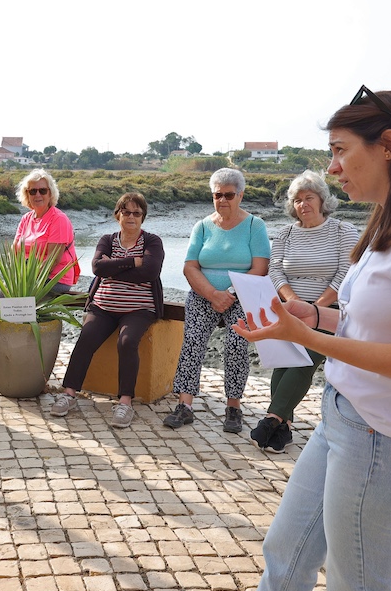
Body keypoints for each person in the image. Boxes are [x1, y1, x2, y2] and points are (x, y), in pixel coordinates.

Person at [234, 87, 391, 591]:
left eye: (341, 150)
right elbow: (369, 324)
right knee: (285, 559)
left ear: (388, 145)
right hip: (343, 418)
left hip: (383, 442)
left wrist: (308, 339)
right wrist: (310, 316)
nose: (333, 167)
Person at [252, 170, 359, 452]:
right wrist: (293, 304)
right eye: (297, 200)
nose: (303, 204)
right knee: (284, 360)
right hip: (288, 308)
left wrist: (314, 309)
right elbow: (275, 271)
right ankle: (283, 428)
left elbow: (346, 274)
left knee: (304, 359)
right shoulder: (285, 233)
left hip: (329, 311)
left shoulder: (343, 231)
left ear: (322, 200)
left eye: (308, 197)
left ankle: (272, 417)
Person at [163, 167, 270, 433]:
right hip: (204, 295)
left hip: (241, 295)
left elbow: (260, 268)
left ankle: (233, 407)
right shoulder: (201, 226)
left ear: (240, 195)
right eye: (217, 195)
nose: (223, 200)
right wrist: (212, 294)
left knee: (236, 344)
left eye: (229, 195)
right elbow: (190, 267)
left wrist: (229, 294)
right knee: (192, 342)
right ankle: (185, 406)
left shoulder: (255, 226)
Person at [54, 192, 164, 428]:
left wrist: (113, 266)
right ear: (118, 215)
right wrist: (133, 261)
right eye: (126, 212)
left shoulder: (152, 241)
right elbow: (96, 267)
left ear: (143, 217)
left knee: (126, 341)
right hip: (103, 307)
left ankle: (125, 402)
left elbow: (150, 272)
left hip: (138, 309)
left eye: (136, 212)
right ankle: (70, 393)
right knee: (86, 337)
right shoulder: (107, 239)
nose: (131, 217)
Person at [0, 169, 79, 374]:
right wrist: (14, 280)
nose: (38, 195)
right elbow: (15, 253)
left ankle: (20, 364)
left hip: (50, 280)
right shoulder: (26, 219)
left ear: (51, 193)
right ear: (27, 195)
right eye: (33, 191)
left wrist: (22, 286)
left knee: (16, 309)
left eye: (42, 190)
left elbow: (52, 260)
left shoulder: (59, 220)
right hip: (24, 279)